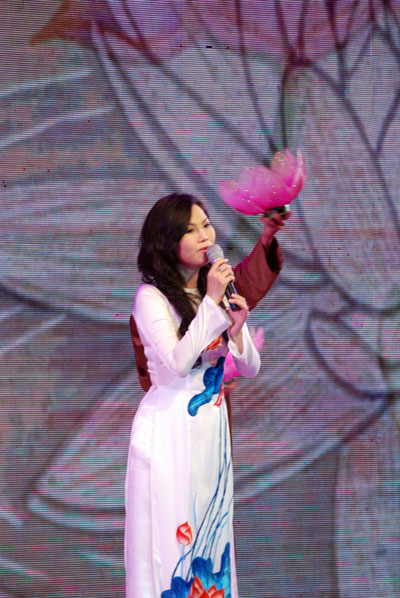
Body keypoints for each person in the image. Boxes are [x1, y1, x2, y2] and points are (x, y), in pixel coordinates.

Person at [125, 193, 285, 598]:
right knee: (170, 541)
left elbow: (249, 367)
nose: (204, 236)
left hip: (210, 434)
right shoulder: (151, 298)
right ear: (167, 241)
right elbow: (179, 362)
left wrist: (237, 330)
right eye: (190, 230)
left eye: (207, 225)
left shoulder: (213, 291)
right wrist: (212, 302)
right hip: (169, 430)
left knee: (212, 534)